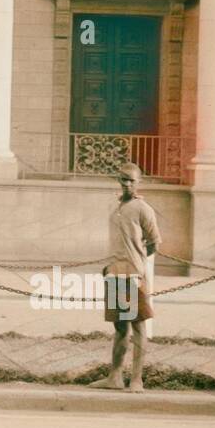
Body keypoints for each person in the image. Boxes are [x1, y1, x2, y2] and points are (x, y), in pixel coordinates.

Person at [89, 161, 160, 392]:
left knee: (138, 327)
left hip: (134, 275)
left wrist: (136, 263)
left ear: (138, 182)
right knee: (120, 329)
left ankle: (137, 380)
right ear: (118, 181)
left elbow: (153, 242)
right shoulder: (116, 206)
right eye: (123, 179)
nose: (127, 184)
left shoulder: (143, 209)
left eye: (131, 180)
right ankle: (115, 377)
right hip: (115, 273)